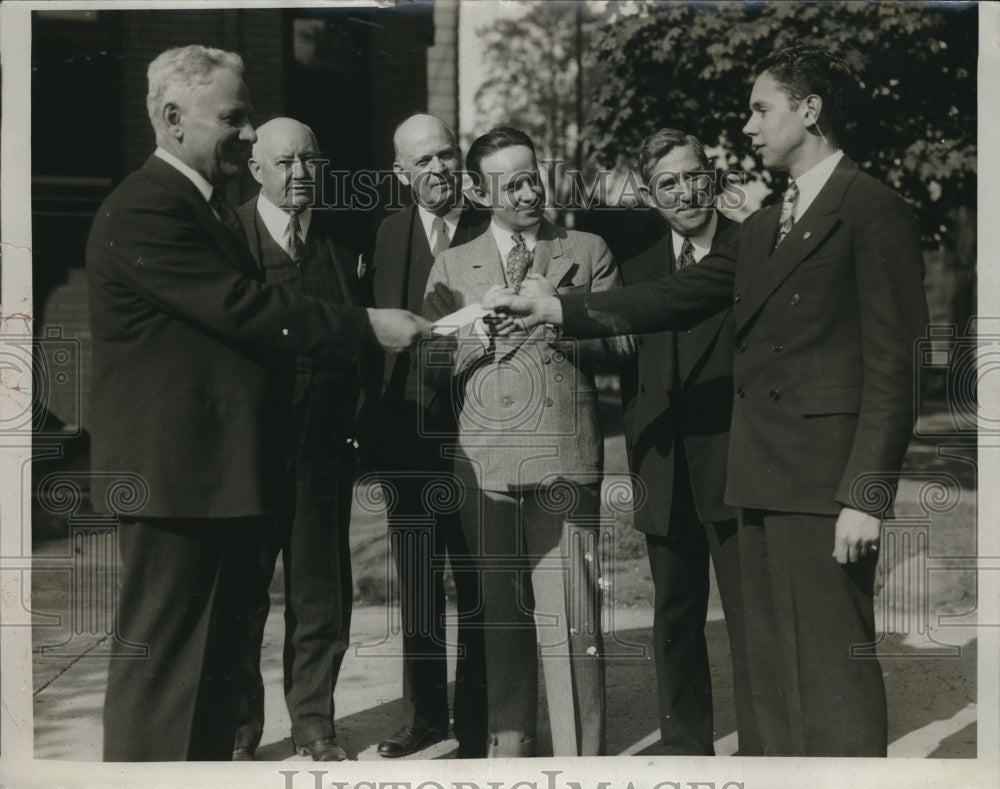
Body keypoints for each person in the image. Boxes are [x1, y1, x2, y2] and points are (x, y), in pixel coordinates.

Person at [484, 45, 929, 756]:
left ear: (809, 111)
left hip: (824, 489)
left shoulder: (872, 209)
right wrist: (557, 308)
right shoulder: (768, 223)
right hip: (756, 481)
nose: (748, 127)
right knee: (772, 676)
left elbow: (895, 369)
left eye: (761, 108)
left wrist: (866, 494)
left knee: (833, 672)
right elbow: (671, 294)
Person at [86, 45, 429, 762]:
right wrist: (366, 323)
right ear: (174, 119)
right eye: (235, 119)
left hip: (214, 477)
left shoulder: (200, 206)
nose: (248, 135)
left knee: (205, 678)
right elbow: (244, 307)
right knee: (166, 682)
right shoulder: (150, 206)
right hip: (176, 483)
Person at [421, 127, 633, 757]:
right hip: (484, 467)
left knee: (572, 621)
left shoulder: (587, 248)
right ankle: (507, 752)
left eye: (532, 176)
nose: (526, 190)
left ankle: (580, 761)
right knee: (502, 622)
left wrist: (561, 307)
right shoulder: (454, 264)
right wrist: (472, 335)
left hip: (564, 462)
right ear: (480, 192)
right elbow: (427, 367)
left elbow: (624, 349)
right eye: (508, 181)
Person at [619, 128, 758, 755]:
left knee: (750, 621)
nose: (686, 191)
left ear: (714, 176)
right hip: (666, 469)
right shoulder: (638, 269)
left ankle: (764, 749)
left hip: (737, 467)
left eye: (695, 174)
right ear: (651, 195)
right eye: (668, 182)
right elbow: (631, 379)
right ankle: (686, 751)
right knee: (674, 619)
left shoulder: (752, 249)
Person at [231, 118, 361, 762]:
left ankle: (314, 725)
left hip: (322, 451)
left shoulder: (340, 243)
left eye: (311, 159)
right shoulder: (230, 237)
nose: (300, 172)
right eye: (285, 162)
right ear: (257, 169)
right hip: (247, 452)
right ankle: (237, 733)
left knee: (320, 595)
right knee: (242, 595)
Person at [361, 113, 490, 759]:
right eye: (424, 161)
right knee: (417, 580)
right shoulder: (385, 235)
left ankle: (475, 719)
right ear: (400, 173)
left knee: (475, 579)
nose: (439, 169)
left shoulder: (490, 227)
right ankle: (423, 719)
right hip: (404, 437)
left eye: (447, 155)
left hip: (475, 435)